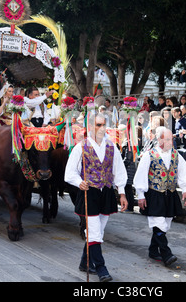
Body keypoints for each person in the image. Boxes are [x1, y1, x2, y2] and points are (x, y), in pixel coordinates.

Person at [64, 113, 128, 282]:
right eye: (98, 125)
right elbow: (69, 173)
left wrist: (122, 193)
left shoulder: (111, 147)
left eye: (103, 125)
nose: (101, 128)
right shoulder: (81, 147)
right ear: (90, 127)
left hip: (106, 192)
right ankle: (101, 268)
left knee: (98, 230)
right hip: (89, 193)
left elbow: (119, 171)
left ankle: (84, 263)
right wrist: (79, 182)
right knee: (93, 231)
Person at [133, 127, 186, 266]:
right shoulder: (149, 155)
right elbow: (140, 175)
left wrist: (185, 189)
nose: (170, 141)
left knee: (166, 224)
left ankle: (153, 250)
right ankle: (166, 253)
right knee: (158, 223)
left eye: (171, 139)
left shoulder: (176, 155)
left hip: (170, 194)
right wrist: (140, 195)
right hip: (154, 194)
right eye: (167, 139)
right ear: (159, 140)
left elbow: (183, 172)